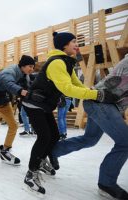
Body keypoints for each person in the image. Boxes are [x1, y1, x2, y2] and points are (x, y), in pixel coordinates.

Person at [22, 32, 118, 194]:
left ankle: (41, 160)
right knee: (45, 136)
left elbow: (76, 84)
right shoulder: (57, 63)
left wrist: (92, 91)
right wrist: (96, 95)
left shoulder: (66, 62)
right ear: (64, 44)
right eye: (73, 41)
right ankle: (31, 174)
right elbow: (67, 89)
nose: (77, 45)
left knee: (54, 136)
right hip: (33, 105)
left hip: (44, 105)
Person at [52, 56, 128, 200]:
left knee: (90, 139)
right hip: (100, 101)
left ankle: (51, 151)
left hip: (106, 104)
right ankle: (107, 183)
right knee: (125, 142)